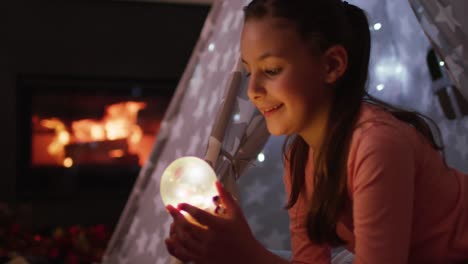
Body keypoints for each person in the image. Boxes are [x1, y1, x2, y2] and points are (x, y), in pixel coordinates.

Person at [165, 0, 468, 263]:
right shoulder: (300, 158)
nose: (254, 91)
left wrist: (246, 252)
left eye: (271, 70)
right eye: (248, 71)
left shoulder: (377, 145)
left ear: (332, 65)